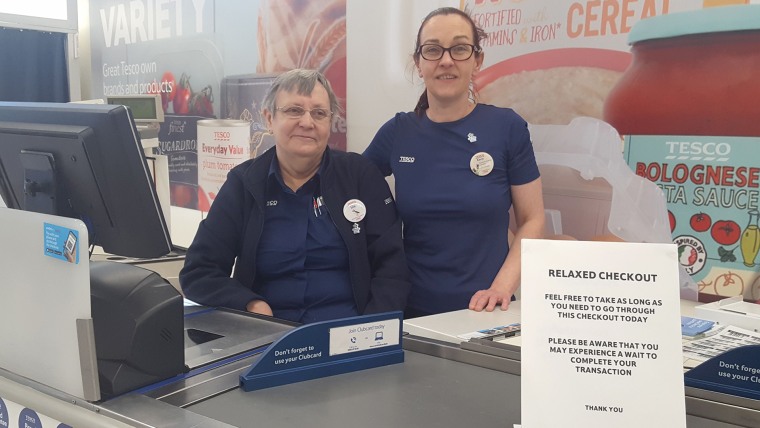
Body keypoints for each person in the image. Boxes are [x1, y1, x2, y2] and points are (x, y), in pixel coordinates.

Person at [180, 69, 409, 323]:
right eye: (294, 111)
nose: (307, 122)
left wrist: (370, 333)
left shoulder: (361, 177)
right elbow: (199, 272)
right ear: (269, 119)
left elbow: (392, 270)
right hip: (268, 340)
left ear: (330, 122)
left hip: (349, 341)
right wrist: (249, 304)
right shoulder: (244, 184)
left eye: (319, 113)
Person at [363, 7, 545, 317]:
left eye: (459, 48)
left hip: (488, 313)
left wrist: (501, 288)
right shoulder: (397, 133)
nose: (446, 60)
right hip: (411, 312)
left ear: (477, 60)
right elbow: (347, 185)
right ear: (418, 63)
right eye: (433, 50)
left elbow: (533, 219)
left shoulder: (506, 128)